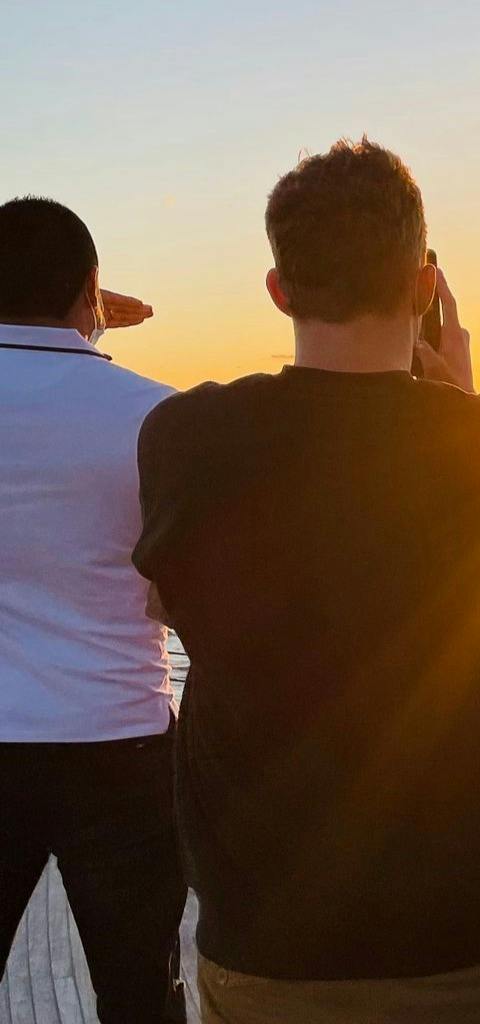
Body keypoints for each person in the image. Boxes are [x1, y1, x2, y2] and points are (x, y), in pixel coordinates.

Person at [131, 140, 480, 1023]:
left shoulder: (188, 436)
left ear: (279, 290)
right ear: (423, 293)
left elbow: (164, 595)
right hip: (466, 934)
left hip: (268, 937)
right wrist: (461, 394)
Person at [0, 196, 187, 1022]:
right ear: (91, 291)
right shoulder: (157, 416)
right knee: (140, 989)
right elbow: (176, 590)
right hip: (121, 742)